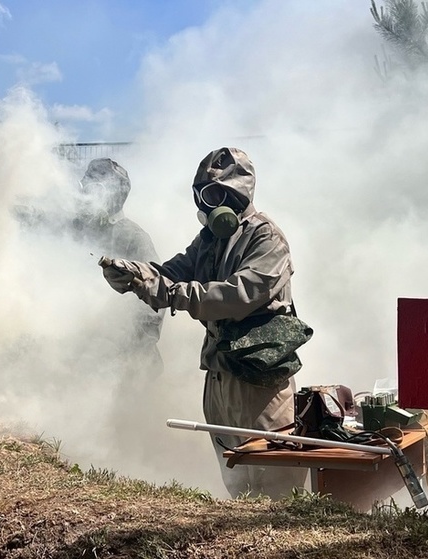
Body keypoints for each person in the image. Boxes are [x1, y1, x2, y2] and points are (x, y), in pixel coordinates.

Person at [100, 147, 308, 499]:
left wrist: (169, 291)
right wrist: (136, 275)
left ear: (237, 191)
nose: (206, 205)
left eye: (212, 194)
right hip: (220, 374)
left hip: (258, 382)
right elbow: (171, 272)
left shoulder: (267, 238)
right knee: (236, 484)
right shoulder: (211, 240)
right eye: (200, 195)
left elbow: (235, 296)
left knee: (272, 485)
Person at [75, 158, 164, 376]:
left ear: (115, 196)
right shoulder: (75, 229)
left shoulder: (134, 238)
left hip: (125, 362)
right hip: (81, 355)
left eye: (94, 188)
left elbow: (155, 298)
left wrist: (129, 349)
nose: (86, 194)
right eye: (84, 186)